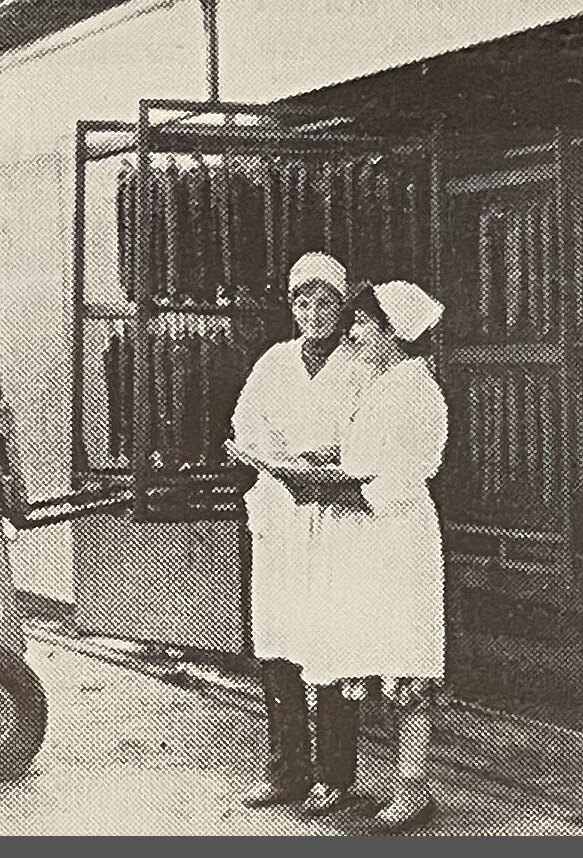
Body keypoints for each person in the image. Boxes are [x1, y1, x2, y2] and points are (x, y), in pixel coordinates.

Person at [301, 280, 449, 834]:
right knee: (368, 651)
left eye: (361, 324)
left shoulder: (417, 392)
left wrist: (334, 489)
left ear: (393, 332)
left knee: (405, 659)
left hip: (399, 540)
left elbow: (405, 475)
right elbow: (365, 452)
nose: (351, 334)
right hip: (367, 540)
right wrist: (324, 461)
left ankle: (412, 789)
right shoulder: (378, 383)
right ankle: (389, 783)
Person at [230, 252, 375, 816]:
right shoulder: (273, 364)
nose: (314, 313)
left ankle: (335, 776)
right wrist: (277, 458)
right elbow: (246, 427)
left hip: (335, 518)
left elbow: (372, 438)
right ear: (292, 307)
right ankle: (287, 770)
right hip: (280, 517)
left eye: (325, 302)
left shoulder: (361, 365)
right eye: (303, 302)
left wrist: (330, 458)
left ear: (342, 308)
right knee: (278, 642)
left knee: (331, 645)